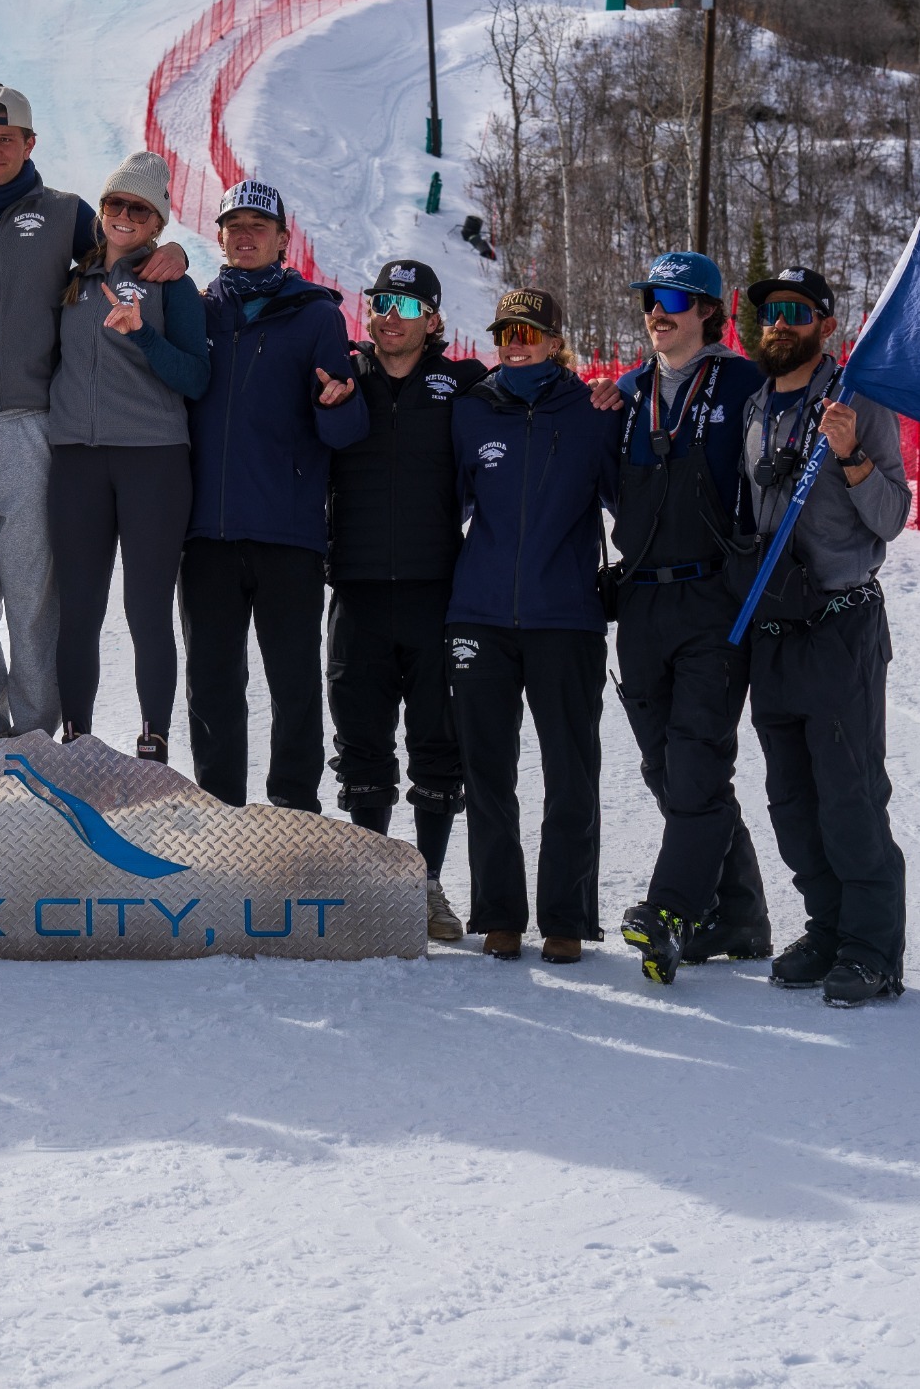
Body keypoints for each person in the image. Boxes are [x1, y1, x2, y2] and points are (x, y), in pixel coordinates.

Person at [0, 83, 186, 746]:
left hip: (34, 422)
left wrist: (171, 255)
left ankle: (34, 733)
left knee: (33, 592)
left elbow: (126, 237)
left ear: (31, 143)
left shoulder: (64, 213)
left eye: (8, 138)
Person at [737, 266, 912, 1007]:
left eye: (796, 312)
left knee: (850, 795)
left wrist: (851, 456)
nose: (779, 322)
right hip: (775, 630)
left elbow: (893, 515)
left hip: (840, 624)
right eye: (770, 311)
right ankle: (829, 926)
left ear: (826, 327)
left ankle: (873, 948)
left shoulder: (858, 402)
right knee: (791, 798)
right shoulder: (754, 406)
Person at [605, 249, 774, 985]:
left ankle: (673, 910)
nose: (657, 312)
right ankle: (739, 914)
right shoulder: (624, 392)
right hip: (640, 599)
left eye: (674, 299)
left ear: (708, 310)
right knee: (665, 768)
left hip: (714, 601)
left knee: (697, 760)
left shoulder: (744, 383)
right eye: (651, 299)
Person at [447, 290, 625, 962]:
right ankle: (499, 913)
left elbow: (629, 504)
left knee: (571, 773)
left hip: (566, 616)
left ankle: (566, 917)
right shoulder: (471, 411)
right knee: (487, 771)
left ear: (555, 339)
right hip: (479, 614)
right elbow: (443, 504)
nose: (516, 342)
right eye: (506, 332)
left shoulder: (593, 412)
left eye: (529, 331)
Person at [182, 179, 367, 808]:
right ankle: (220, 808)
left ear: (284, 239)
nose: (245, 235)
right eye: (234, 225)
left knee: (293, 683)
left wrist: (339, 403)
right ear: (220, 236)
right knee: (211, 683)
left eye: (258, 226)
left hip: (288, 532)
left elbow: (343, 429)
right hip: (206, 533)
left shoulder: (317, 315)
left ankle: (293, 809)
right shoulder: (200, 310)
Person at [325, 258, 486, 942]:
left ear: (434, 319)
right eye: (378, 301)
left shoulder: (467, 385)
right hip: (356, 589)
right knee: (361, 747)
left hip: (435, 591)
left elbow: (539, 400)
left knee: (437, 744)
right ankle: (374, 885)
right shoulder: (341, 375)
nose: (386, 313)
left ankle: (423, 885)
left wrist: (606, 396)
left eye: (402, 303)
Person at [43, 152, 208, 761]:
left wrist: (143, 334)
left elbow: (196, 378)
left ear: (158, 220)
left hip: (153, 459)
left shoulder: (173, 285)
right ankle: (76, 735)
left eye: (139, 208)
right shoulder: (73, 282)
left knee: (145, 606)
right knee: (78, 605)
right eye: (115, 203)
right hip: (78, 459)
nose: (124, 216)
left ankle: (154, 737)